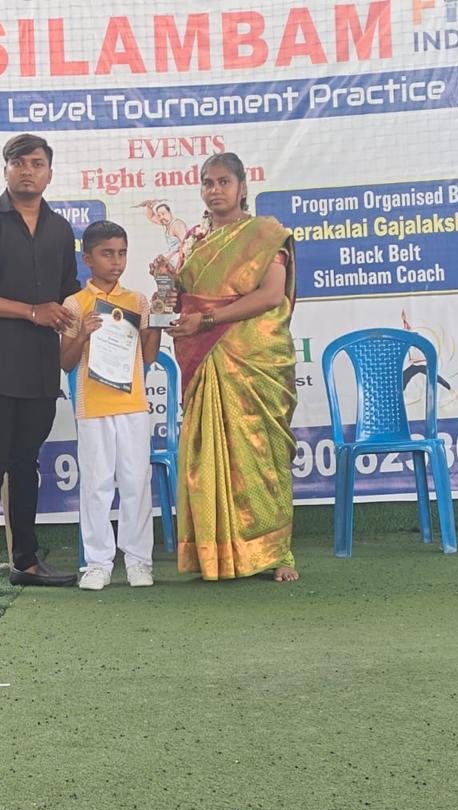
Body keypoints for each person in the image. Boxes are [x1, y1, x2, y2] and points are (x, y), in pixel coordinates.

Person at [0, 134, 81, 601]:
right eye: (18, 162)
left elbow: (68, 295)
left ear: (50, 173)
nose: (28, 170)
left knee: (27, 466)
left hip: (41, 370)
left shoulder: (60, 230)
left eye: (37, 163)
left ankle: (26, 561)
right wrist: (31, 312)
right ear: (5, 169)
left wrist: (102, 318)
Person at [159, 152, 300, 583]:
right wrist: (169, 285)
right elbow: (184, 302)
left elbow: (271, 295)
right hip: (206, 359)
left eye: (223, 182)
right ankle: (216, 555)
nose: (215, 190)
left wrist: (207, 319)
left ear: (242, 187)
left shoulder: (264, 234)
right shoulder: (194, 243)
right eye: (208, 182)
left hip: (254, 358)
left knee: (261, 452)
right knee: (207, 453)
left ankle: (275, 553)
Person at [59, 220, 161, 590]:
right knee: (96, 485)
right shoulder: (75, 304)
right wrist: (83, 335)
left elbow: (149, 356)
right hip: (93, 409)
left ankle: (138, 561)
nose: (116, 262)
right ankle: (98, 563)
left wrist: (157, 322)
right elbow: (65, 362)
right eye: (107, 254)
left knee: (136, 482)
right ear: (88, 258)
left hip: (132, 406)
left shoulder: (138, 301)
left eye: (122, 253)